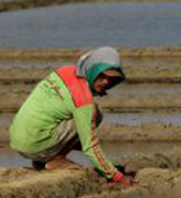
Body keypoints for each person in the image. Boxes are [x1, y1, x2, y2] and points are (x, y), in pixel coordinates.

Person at [9, 47, 134, 186]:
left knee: (70, 119)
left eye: (111, 79)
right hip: (36, 145)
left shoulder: (66, 71)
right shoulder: (83, 98)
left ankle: (43, 159)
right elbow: (90, 146)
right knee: (94, 113)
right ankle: (56, 160)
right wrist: (118, 177)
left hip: (18, 141)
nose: (106, 82)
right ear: (93, 70)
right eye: (102, 76)